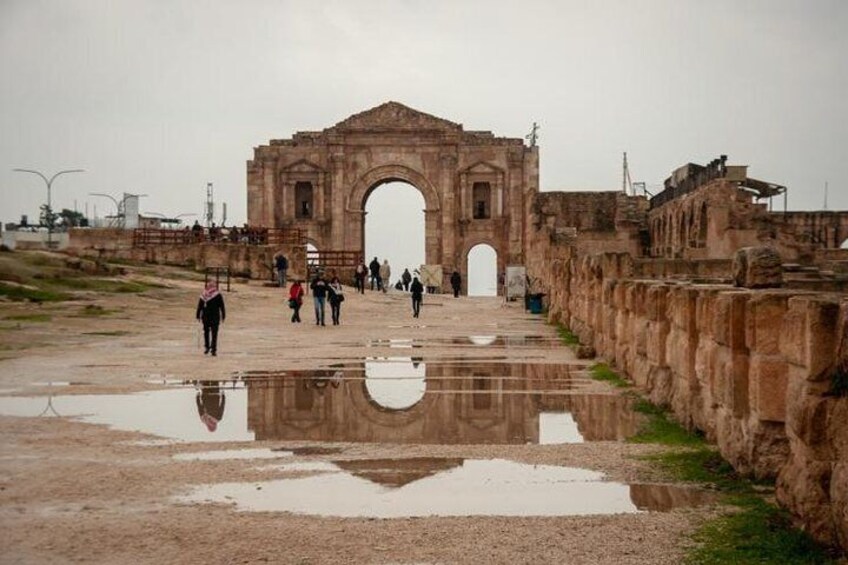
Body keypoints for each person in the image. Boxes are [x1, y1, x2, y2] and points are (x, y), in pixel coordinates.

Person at [196, 281, 226, 356]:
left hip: (208, 316)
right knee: (212, 333)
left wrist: (198, 315)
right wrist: (223, 315)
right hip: (212, 317)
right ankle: (211, 348)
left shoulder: (209, 295)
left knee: (208, 332)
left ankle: (210, 348)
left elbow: (200, 307)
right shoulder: (207, 295)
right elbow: (222, 306)